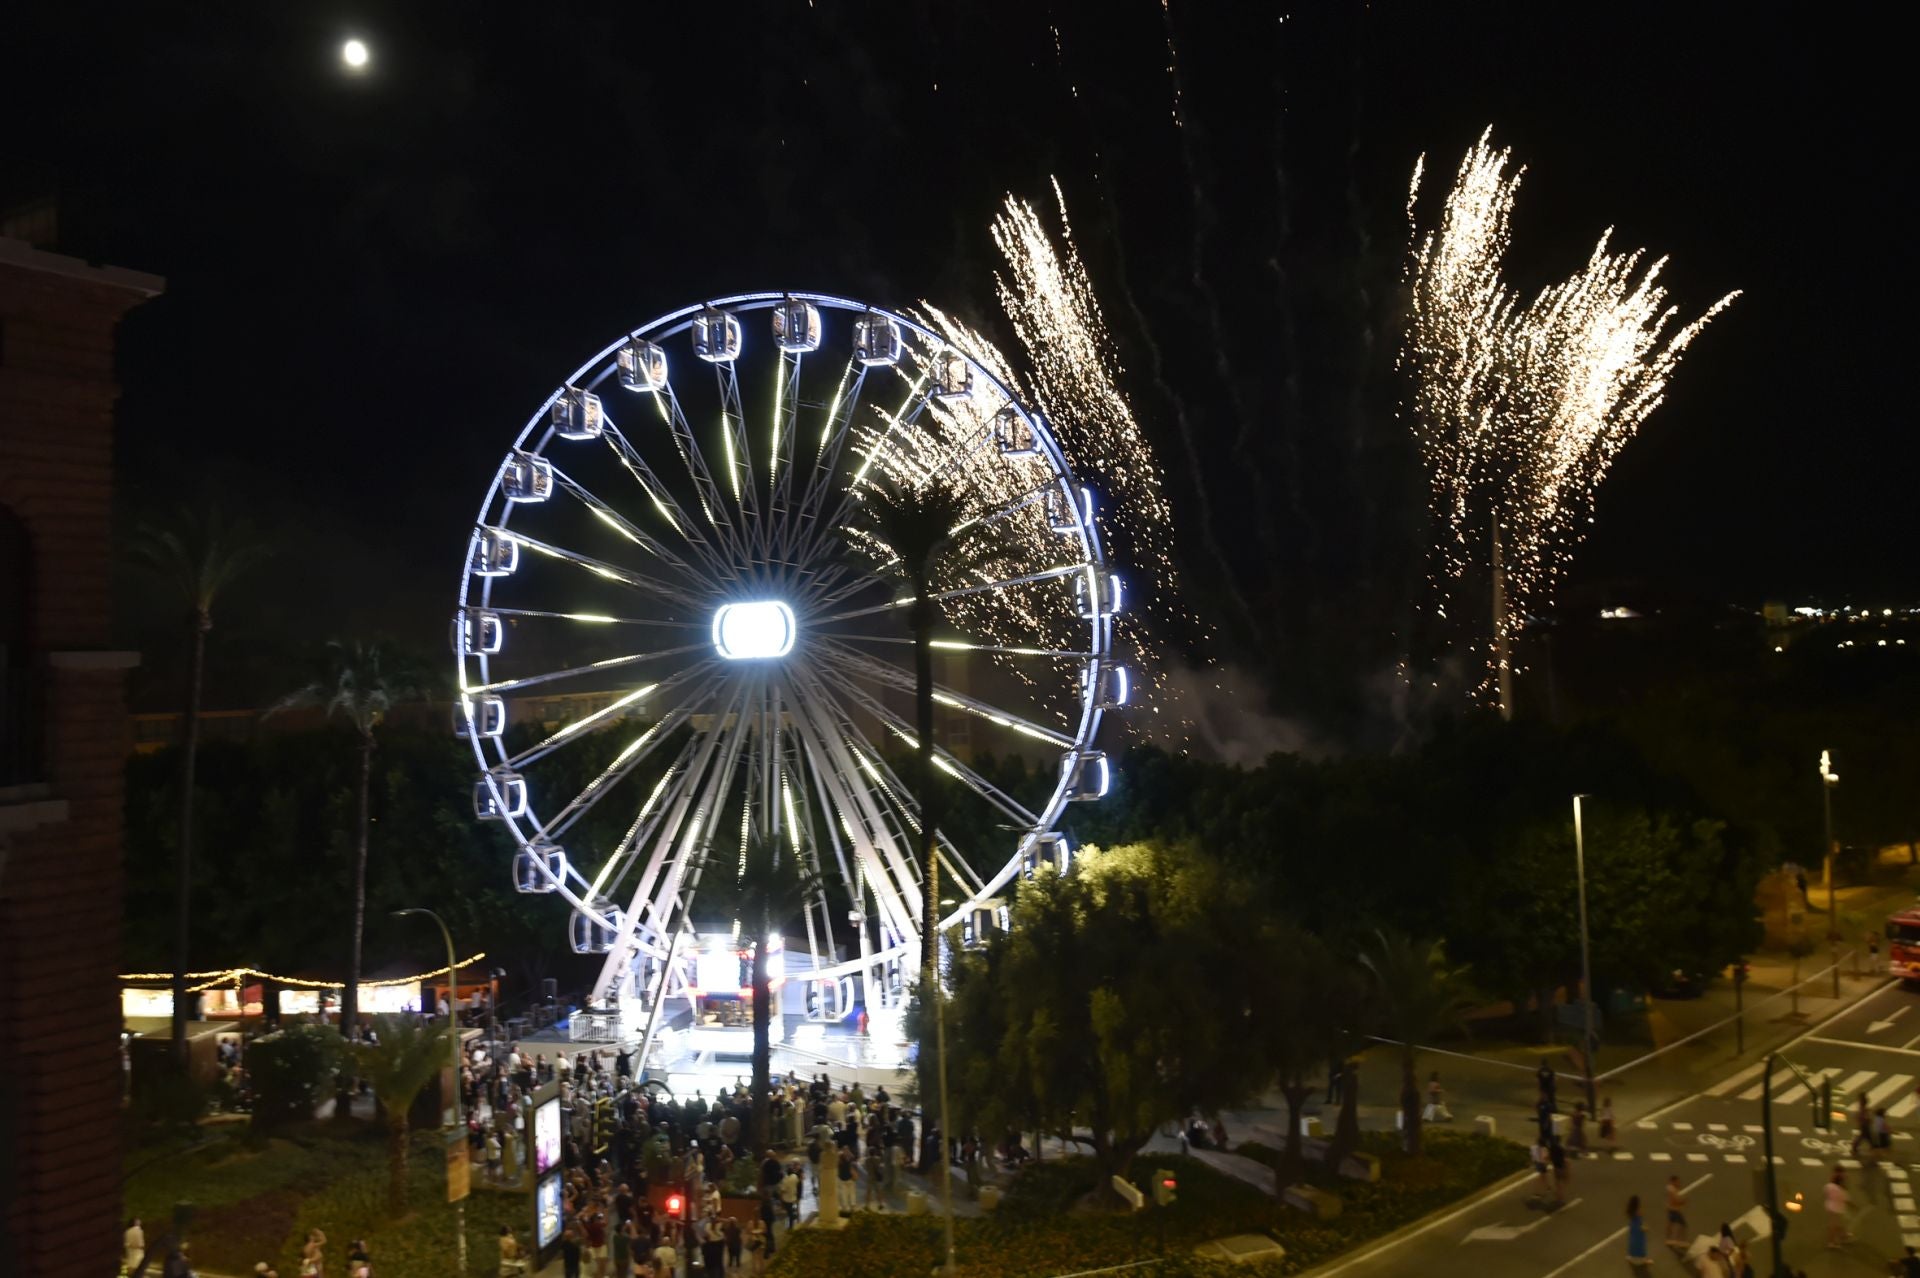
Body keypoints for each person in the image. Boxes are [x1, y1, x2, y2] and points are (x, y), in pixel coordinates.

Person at [1825, 1166, 1851, 1248]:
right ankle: (1831, 1243)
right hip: (1838, 1208)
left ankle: (1844, 1235)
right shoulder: (1841, 1191)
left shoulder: (1829, 1186)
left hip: (1830, 1205)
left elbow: (1826, 1193)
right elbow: (1847, 1200)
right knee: (1834, 1226)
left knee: (1838, 1223)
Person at [1625, 1195, 1651, 1269]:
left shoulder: (1630, 1211)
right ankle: (1643, 1259)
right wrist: (1645, 1229)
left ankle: (1631, 1257)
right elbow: (1639, 1224)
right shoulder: (1637, 1211)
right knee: (1640, 1245)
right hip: (1638, 1231)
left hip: (1633, 1229)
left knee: (1632, 1243)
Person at [1665, 1174, 1688, 1248]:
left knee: (1671, 1224)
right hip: (1674, 1210)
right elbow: (1675, 1201)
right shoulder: (1672, 1190)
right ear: (1673, 1181)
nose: (1679, 1183)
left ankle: (1669, 1240)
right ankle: (1679, 1241)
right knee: (1682, 1225)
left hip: (1671, 1209)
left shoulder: (1671, 1189)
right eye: (1677, 1182)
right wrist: (1683, 1202)